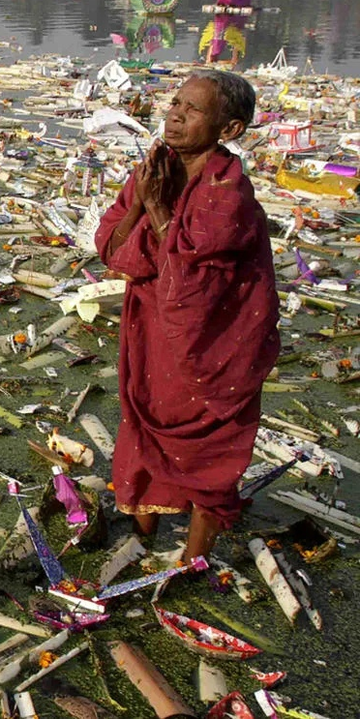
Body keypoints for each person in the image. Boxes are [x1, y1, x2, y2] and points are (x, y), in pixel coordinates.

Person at [94, 70, 279, 562]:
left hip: (213, 344)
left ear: (230, 129)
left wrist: (155, 208)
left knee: (209, 446)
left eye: (193, 109)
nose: (174, 114)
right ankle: (143, 529)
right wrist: (145, 202)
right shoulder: (155, 171)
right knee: (145, 421)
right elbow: (112, 248)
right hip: (154, 331)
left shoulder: (228, 194)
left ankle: (194, 560)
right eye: (175, 103)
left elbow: (190, 276)